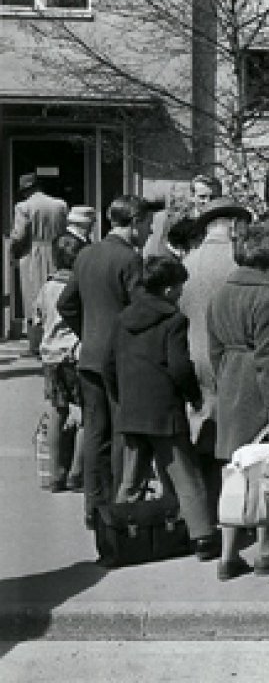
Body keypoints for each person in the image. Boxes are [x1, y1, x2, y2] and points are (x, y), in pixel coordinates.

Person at [103, 256, 219, 560]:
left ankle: (118, 537)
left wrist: (121, 397)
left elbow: (108, 365)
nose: (182, 292)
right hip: (164, 409)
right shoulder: (174, 320)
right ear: (168, 289)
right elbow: (180, 366)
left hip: (131, 408)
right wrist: (193, 396)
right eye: (180, 287)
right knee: (185, 475)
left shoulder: (123, 318)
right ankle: (203, 537)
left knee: (131, 479)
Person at [208, 225, 269, 578]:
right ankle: (265, 550)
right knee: (265, 469)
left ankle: (228, 556)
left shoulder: (221, 294)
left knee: (234, 472)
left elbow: (214, 349)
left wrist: (225, 378)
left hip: (230, 379)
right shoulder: (267, 298)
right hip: (257, 386)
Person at [58, 195, 149, 527]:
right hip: (121, 359)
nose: (150, 231)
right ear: (136, 222)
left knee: (96, 432)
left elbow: (66, 304)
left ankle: (94, 507)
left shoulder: (86, 255)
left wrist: (88, 332)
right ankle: (117, 508)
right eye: (148, 225)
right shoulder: (130, 260)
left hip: (90, 355)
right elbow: (140, 311)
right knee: (121, 433)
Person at [178, 197, 250, 511]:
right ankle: (234, 508)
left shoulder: (187, 263)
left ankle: (202, 508)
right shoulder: (242, 264)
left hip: (193, 356)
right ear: (233, 225)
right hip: (232, 360)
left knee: (199, 434)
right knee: (236, 442)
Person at [33, 233, 86, 493]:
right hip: (75, 354)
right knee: (87, 412)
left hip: (51, 356)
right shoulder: (79, 287)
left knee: (57, 411)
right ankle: (77, 472)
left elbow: (37, 318)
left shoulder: (47, 287)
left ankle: (56, 473)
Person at [11, 172, 68, 349]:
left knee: (33, 297)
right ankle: (56, 336)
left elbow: (20, 234)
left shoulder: (23, 207)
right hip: (56, 251)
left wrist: (13, 248)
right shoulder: (60, 205)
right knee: (55, 292)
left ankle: (35, 343)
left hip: (32, 252)